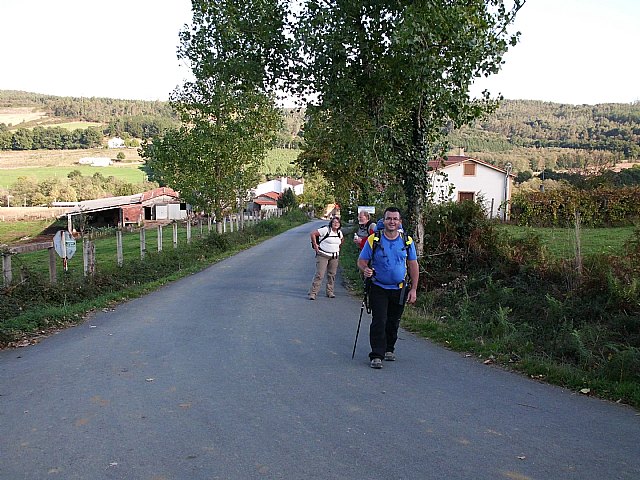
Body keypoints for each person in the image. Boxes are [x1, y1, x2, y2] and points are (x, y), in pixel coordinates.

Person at [357, 207, 419, 369]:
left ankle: (389, 348)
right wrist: (366, 270)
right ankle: (377, 354)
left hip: (399, 288)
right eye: (389, 219)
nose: (392, 222)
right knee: (379, 320)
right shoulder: (374, 239)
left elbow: (413, 265)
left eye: (395, 219)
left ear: (400, 222)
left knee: (393, 321)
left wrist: (413, 289)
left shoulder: (407, 241)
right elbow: (362, 261)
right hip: (378, 287)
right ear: (383, 221)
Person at [308, 217, 344, 300]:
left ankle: (330, 292)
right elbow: (313, 234)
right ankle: (313, 293)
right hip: (323, 255)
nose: (336, 224)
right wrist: (315, 245)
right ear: (331, 223)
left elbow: (341, 240)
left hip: (334, 256)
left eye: (337, 222)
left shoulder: (339, 232)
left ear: (340, 224)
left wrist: (337, 248)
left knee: (332, 275)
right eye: (334, 222)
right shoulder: (325, 230)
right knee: (320, 274)